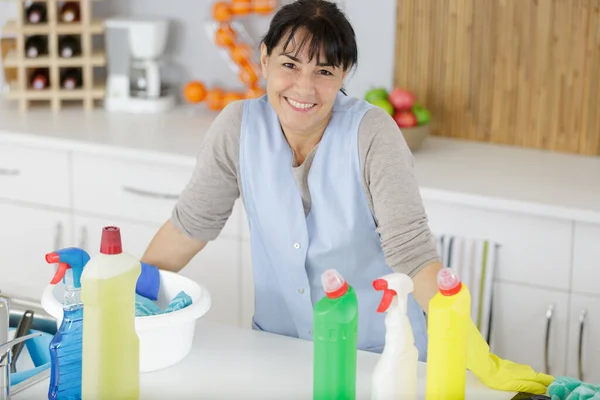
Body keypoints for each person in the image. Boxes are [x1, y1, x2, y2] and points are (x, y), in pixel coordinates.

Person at [139, 0, 553, 394]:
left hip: (375, 359)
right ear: (263, 59)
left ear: (344, 73)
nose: (304, 86)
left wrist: (473, 351)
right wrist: (128, 296)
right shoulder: (237, 127)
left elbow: (412, 254)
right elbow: (188, 227)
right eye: (289, 64)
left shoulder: (373, 134)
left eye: (324, 71)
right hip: (279, 352)